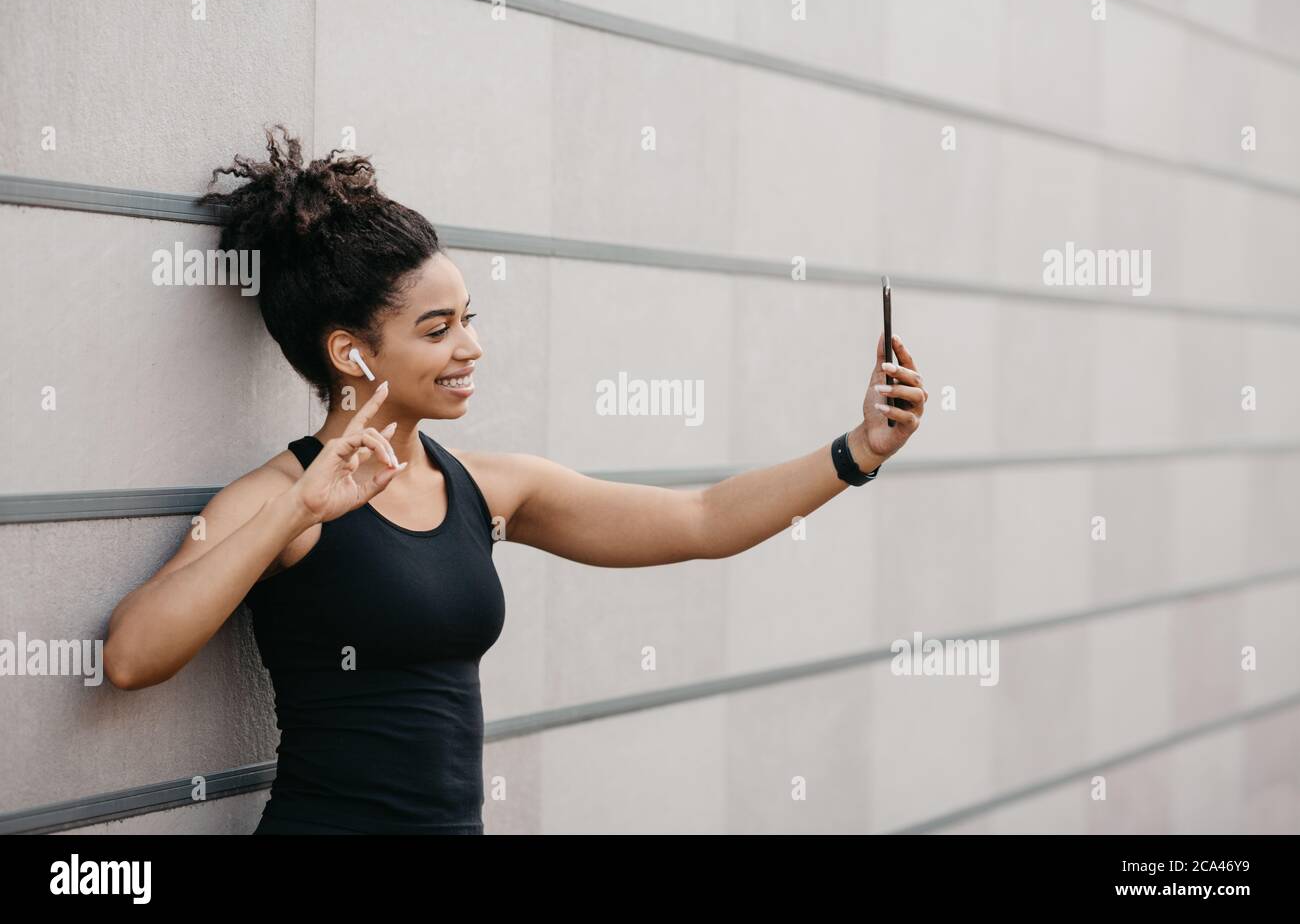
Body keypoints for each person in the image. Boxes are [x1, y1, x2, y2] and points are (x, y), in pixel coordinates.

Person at [102, 125, 927, 834]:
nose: (471, 349)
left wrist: (859, 449)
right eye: (438, 329)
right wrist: (294, 512)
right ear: (353, 353)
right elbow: (133, 657)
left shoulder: (490, 489)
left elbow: (702, 519)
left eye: (469, 320)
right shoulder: (278, 496)